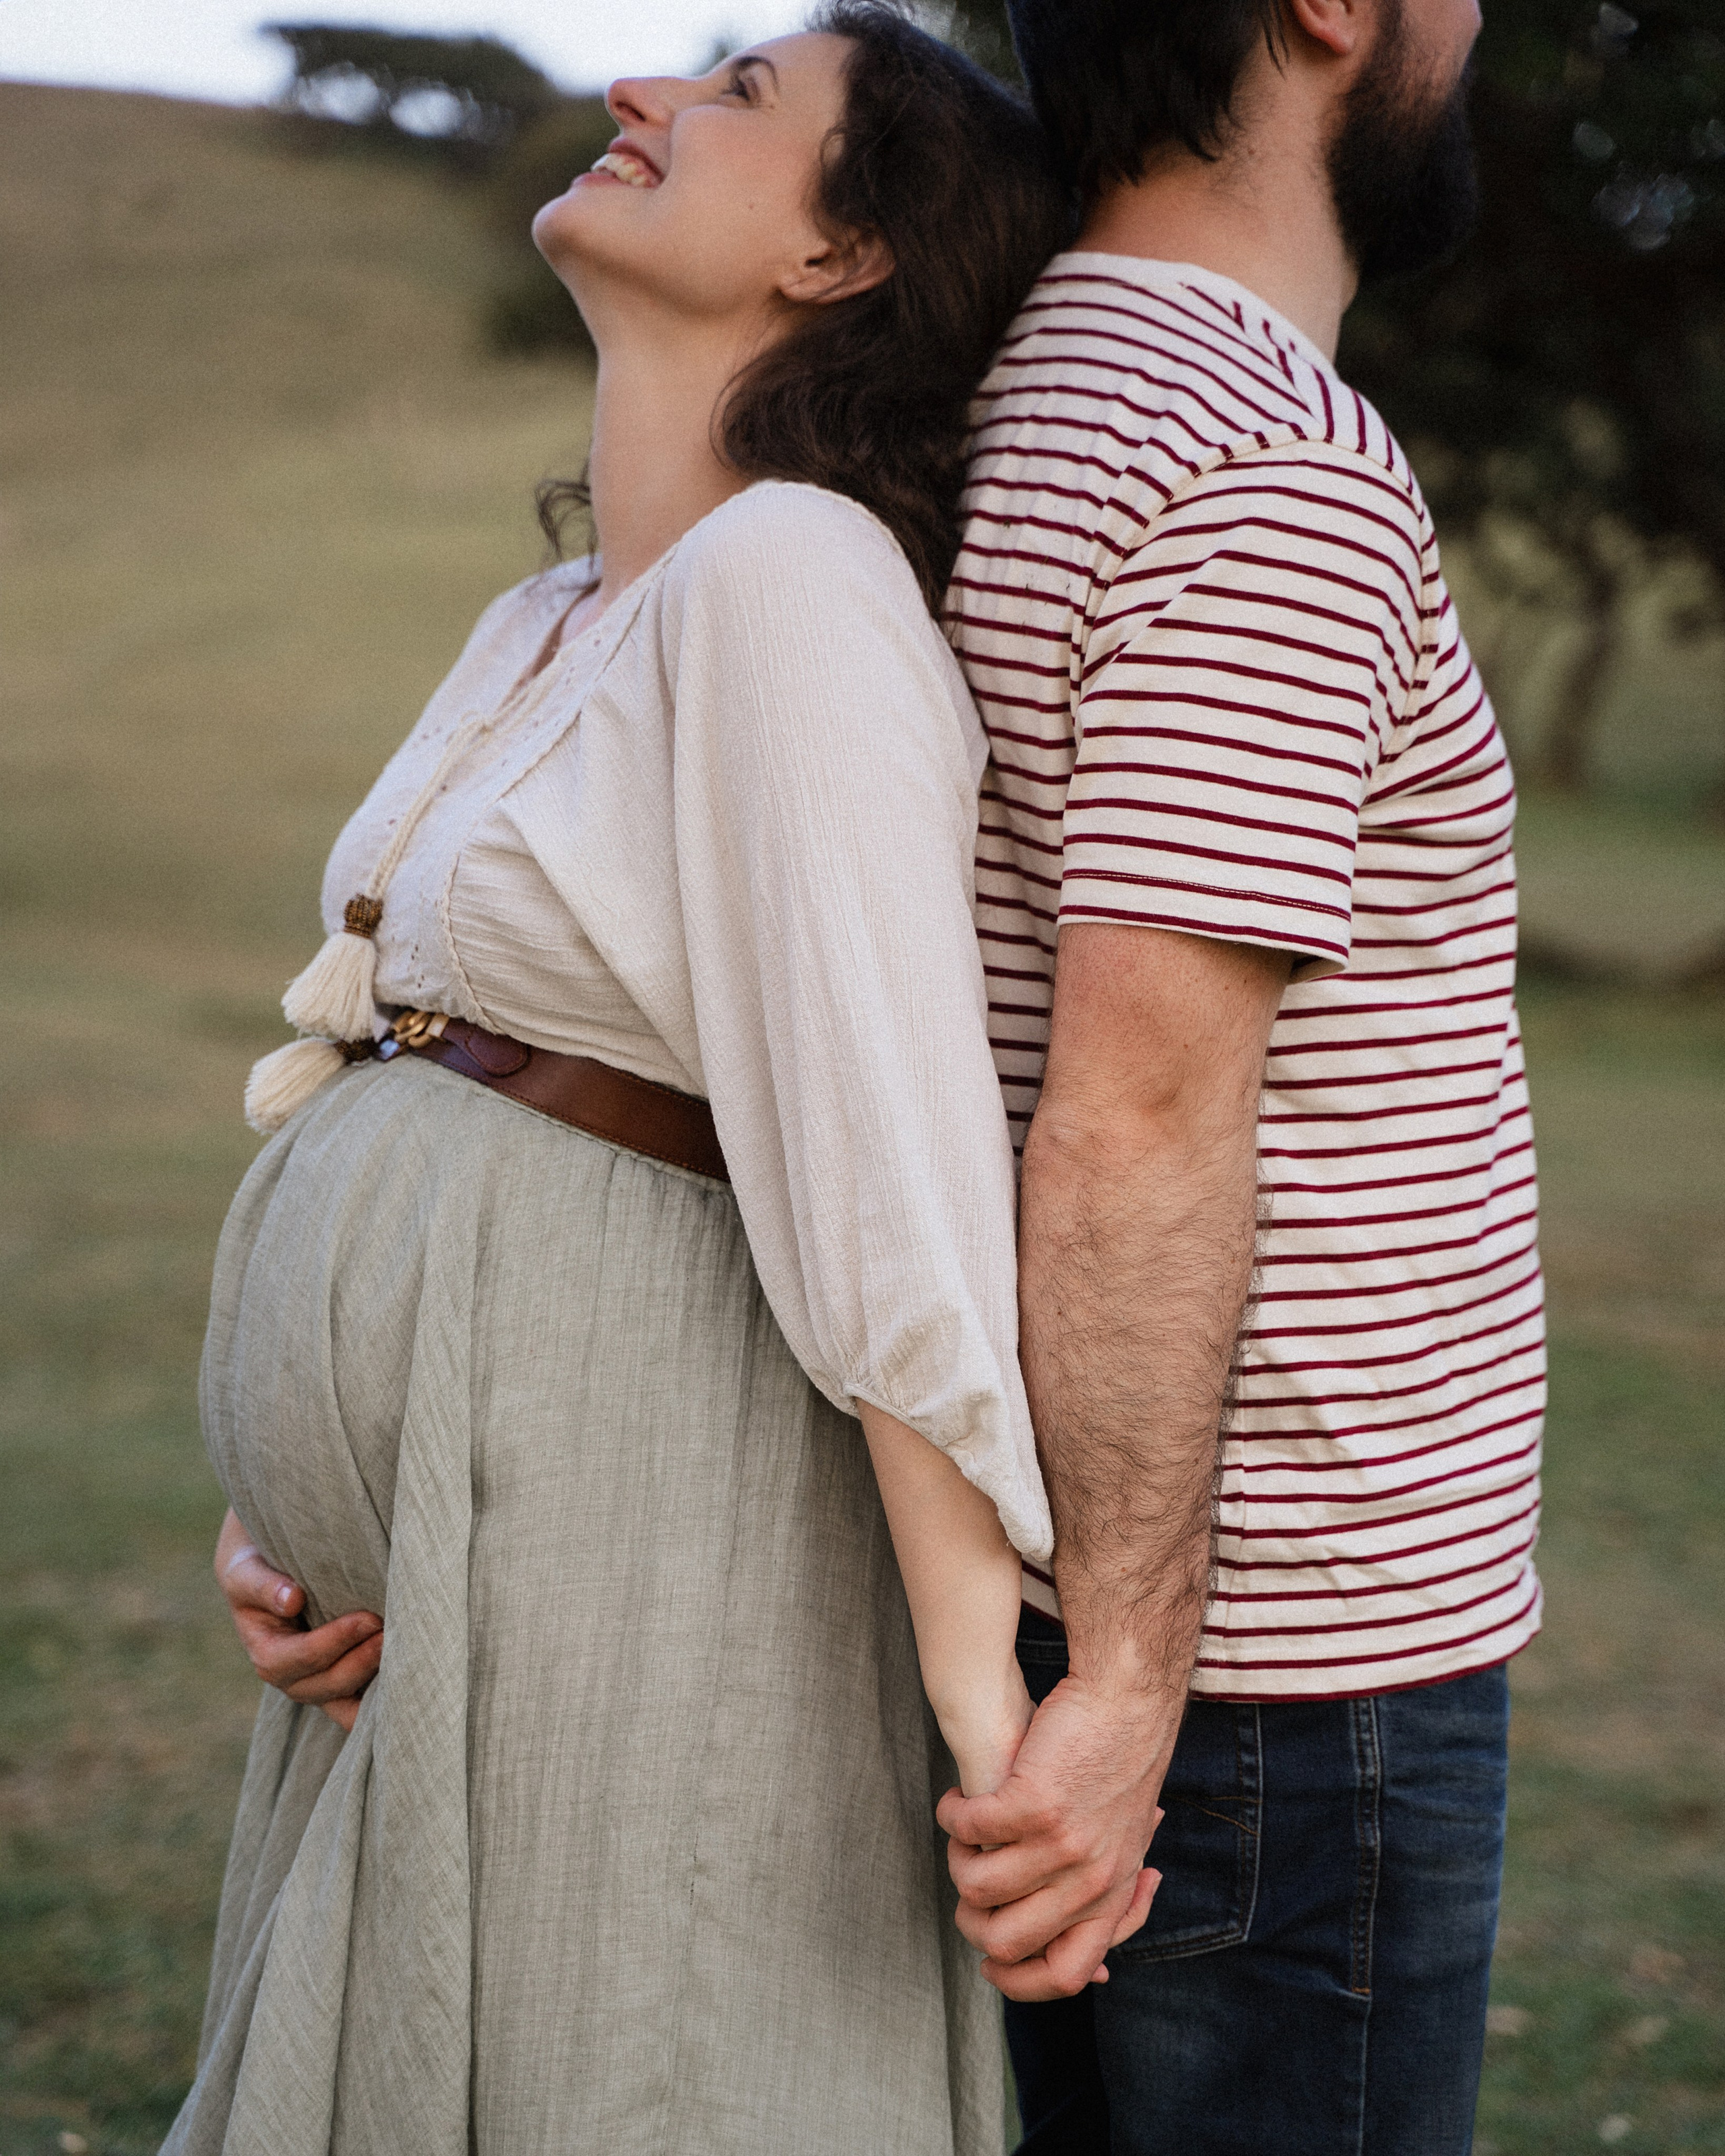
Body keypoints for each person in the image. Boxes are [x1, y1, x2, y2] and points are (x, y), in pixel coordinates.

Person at [169, 13, 1075, 2153]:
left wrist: (983, 1704)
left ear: (846, 258)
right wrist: (285, 1502)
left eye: (738, 92)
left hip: (639, 1500)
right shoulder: (554, 611)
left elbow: (883, 1140)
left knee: (632, 2056)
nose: (642, 96)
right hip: (445, 1546)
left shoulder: (797, 581)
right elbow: (384, 1044)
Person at [934, 1, 1545, 2150]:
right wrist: (1129, 1686)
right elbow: (1138, 1117)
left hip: (1059, 1601)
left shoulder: (975, 392)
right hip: (1272, 1677)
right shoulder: (1261, 456)